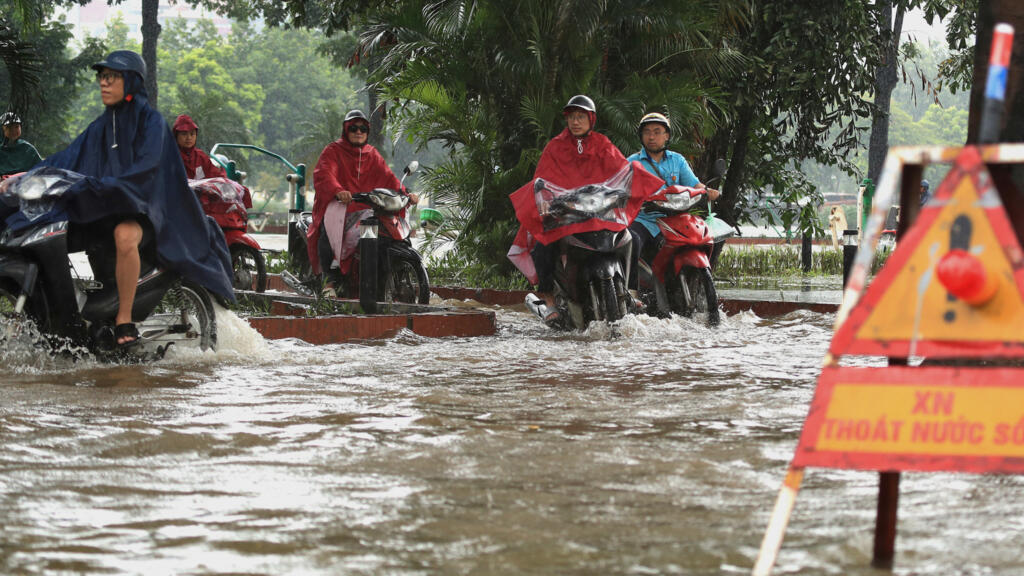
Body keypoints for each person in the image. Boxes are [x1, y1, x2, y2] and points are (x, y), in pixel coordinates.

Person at [5, 50, 234, 346]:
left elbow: (147, 169)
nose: (103, 83)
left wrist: (111, 187)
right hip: (110, 202)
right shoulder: (102, 125)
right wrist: (22, 178)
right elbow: (66, 158)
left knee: (124, 236)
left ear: (131, 81)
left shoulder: (152, 123)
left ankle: (124, 319)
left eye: (111, 77)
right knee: (63, 227)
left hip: (150, 208)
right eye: (102, 77)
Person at [527, 95, 630, 315]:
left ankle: (630, 291)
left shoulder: (603, 144)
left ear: (591, 119)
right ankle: (549, 298)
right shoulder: (555, 146)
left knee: (632, 239)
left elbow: (622, 169)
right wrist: (545, 201)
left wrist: (626, 188)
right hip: (566, 212)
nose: (575, 121)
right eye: (572, 117)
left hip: (599, 211)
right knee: (542, 247)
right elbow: (541, 178)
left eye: (581, 116)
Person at [309, 109, 417, 295]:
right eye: (353, 128)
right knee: (330, 229)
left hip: (368, 207)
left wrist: (407, 194)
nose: (358, 132)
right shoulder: (333, 150)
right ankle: (329, 280)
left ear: (367, 131)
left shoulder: (372, 154)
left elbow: (388, 178)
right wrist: (338, 190)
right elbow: (325, 173)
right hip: (340, 206)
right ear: (345, 130)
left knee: (386, 230)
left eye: (363, 129)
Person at [626, 112, 719, 287]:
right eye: (647, 132)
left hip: (674, 221)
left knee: (703, 239)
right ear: (641, 136)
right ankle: (632, 292)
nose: (651, 136)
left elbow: (694, 185)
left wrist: (708, 191)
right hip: (644, 220)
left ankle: (696, 284)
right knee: (632, 241)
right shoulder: (632, 162)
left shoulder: (677, 160)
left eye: (657, 131)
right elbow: (620, 187)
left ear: (666, 136)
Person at [173, 114, 226, 180]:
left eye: (192, 134)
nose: (189, 138)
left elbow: (215, 174)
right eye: (184, 134)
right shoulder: (170, 156)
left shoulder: (200, 156)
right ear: (176, 136)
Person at [0, 112, 43, 176]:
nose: (13, 131)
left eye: (16, 127)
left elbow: (41, 169)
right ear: (2, 129)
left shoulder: (27, 148)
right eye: (9, 127)